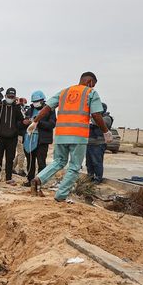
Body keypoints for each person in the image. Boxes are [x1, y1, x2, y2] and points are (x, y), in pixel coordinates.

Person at [30, 72, 110, 201]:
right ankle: (60, 196)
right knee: (74, 166)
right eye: (93, 85)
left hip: (61, 134)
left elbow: (47, 107)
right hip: (78, 135)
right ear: (90, 82)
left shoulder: (64, 92)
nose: (93, 87)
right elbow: (96, 115)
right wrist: (106, 131)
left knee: (59, 161)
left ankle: (39, 179)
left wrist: (35, 121)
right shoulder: (91, 93)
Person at [0, 87, 25, 184]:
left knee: (10, 159)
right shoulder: (0, 106)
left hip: (12, 138)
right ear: (5, 96)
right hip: (0, 137)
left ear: (15, 97)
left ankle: (8, 178)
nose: (10, 98)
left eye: (12, 96)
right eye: (9, 96)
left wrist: (18, 106)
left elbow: (21, 120)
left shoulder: (17, 107)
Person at [23, 90, 55, 186]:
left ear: (42, 100)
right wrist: (26, 122)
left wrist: (38, 122)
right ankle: (30, 180)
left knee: (41, 162)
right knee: (30, 161)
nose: (35, 103)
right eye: (34, 102)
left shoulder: (50, 110)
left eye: (37, 101)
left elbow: (52, 124)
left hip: (42, 140)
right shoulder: (30, 109)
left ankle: (40, 181)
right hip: (29, 140)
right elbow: (26, 119)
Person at [85, 102, 113, 183]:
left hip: (99, 144)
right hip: (89, 143)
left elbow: (98, 122)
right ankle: (90, 177)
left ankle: (98, 178)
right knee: (89, 163)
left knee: (97, 162)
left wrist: (93, 116)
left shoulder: (107, 118)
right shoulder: (93, 117)